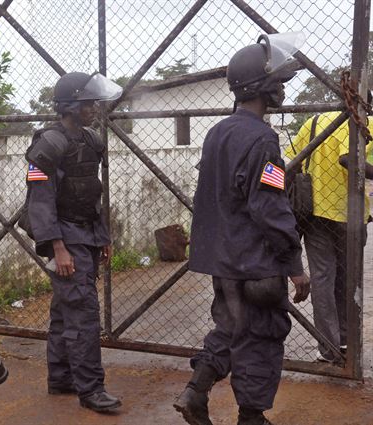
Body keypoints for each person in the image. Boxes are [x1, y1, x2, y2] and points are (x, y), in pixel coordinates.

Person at [173, 32, 311, 425]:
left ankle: (196, 392)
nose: (282, 89)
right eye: (279, 82)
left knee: (232, 326)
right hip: (255, 261)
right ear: (263, 86)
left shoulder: (218, 132)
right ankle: (252, 417)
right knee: (263, 335)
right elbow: (269, 206)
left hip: (223, 258)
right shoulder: (262, 138)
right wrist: (293, 264)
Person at [24, 71, 123, 413]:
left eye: (95, 102)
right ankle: (91, 389)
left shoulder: (91, 140)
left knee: (66, 312)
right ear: (69, 106)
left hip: (87, 234)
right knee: (83, 314)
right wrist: (58, 248)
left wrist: (103, 235)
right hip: (64, 238)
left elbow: (91, 193)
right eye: (87, 103)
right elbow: (40, 200)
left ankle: (62, 377)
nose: (94, 108)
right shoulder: (49, 144)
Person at [285, 111, 373, 362]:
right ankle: (345, 341)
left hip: (314, 213)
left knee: (323, 281)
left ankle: (329, 347)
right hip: (350, 215)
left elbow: (294, 163)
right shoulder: (361, 121)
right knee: (348, 280)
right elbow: (348, 159)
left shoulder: (313, 121)